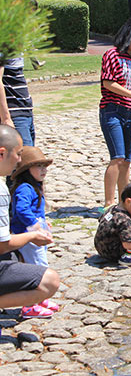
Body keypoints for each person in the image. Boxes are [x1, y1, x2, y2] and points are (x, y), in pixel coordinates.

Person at [0, 125, 59, 318]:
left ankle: (38, 301)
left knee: (38, 261)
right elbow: (22, 210)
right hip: (24, 234)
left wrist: (42, 222)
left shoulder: (31, 187)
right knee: (40, 266)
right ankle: (31, 304)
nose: (43, 170)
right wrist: (34, 228)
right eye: (38, 166)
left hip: (31, 231)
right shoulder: (22, 188)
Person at [99, 17, 131, 209]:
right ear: (128, 34)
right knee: (117, 157)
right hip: (111, 110)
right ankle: (108, 202)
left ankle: (123, 202)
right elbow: (108, 84)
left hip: (128, 112)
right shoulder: (112, 55)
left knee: (127, 161)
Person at [0, 56, 36, 146]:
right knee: (24, 156)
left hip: (24, 110)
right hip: (14, 113)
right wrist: (6, 118)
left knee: (27, 155)